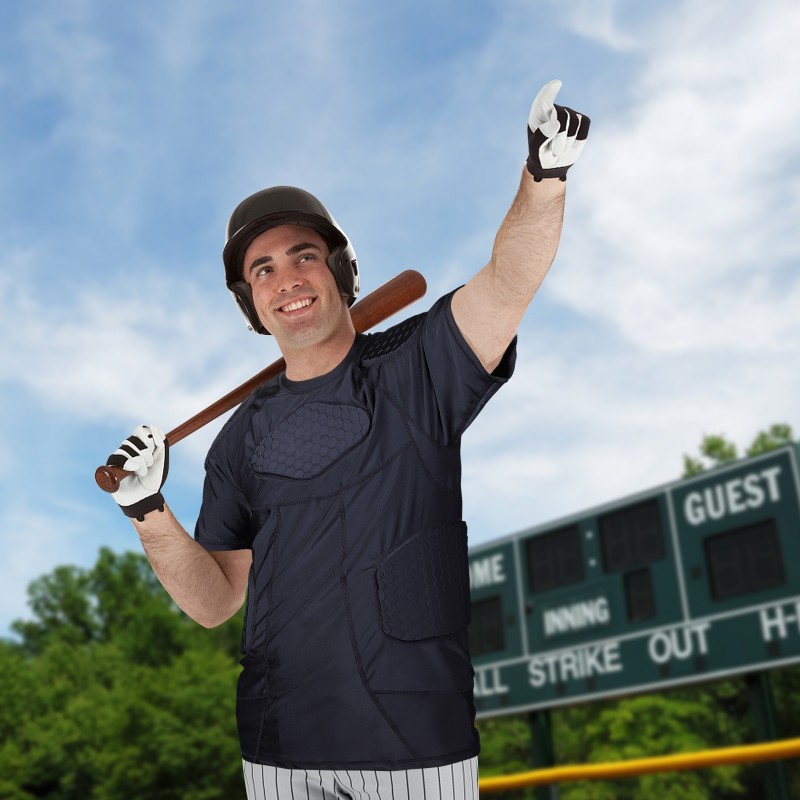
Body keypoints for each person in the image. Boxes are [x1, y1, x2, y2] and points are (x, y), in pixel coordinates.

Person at [106, 80, 589, 800]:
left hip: (415, 750)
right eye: (261, 271)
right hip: (278, 750)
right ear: (250, 304)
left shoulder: (421, 368)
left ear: (341, 269)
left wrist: (542, 180)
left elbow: (508, 281)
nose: (285, 280)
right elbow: (213, 603)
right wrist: (149, 515)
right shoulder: (239, 441)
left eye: (303, 256)